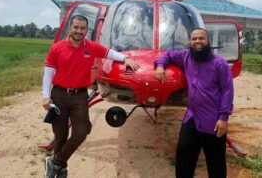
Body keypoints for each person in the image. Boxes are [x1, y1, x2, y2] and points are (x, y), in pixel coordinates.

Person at [42, 15, 140, 178]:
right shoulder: (57, 48)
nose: (79, 31)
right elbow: (48, 73)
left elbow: (109, 53)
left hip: (80, 95)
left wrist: (126, 58)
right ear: (70, 28)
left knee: (81, 132)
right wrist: (45, 96)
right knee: (61, 135)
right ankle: (61, 170)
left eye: (82, 28)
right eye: (76, 27)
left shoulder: (91, 47)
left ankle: (54, 162)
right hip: (58, 95)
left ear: (87, 30)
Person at [154, 28, 234, 178]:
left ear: (208, 41)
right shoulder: (186, 56)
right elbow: (168, 54)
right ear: (190, 42)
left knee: (216, 164)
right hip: (191, 118)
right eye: (194, 39)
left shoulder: (220, 63)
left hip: (213, 122)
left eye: (201, 38)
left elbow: (227, 91)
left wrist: (224, 118)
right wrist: (160, 66)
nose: (197, 41)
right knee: (183, 159)